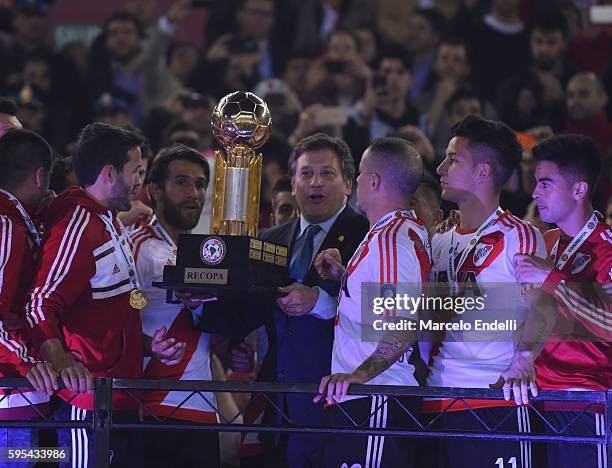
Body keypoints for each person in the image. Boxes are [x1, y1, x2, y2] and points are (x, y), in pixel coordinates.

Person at [194, 133, 369, 467]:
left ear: (348, 183)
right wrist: (200, 301)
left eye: (327, 173)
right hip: (278, 401)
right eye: (306, 174)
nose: (315, 183)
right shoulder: (271, 238)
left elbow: (380, 313)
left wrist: (318, 300)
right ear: (294, 182)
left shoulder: (366, 235)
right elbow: (249, 310)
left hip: (339, 401)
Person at [24, 122, 184, 468]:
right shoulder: (78, 226)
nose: (139, 181)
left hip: (117, 396)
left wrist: (146, 344)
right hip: (88, 404)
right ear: (110, 173)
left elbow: (116, 308)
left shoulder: (108, 220)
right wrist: (63, 362)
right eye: (136, 171)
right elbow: (40, 304)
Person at [423, 115, 548, 467]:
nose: (440, 167)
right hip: (433, 399)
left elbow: (542, 308)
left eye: (453, 159)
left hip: (493, 401)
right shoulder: (440, 239)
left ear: (483, 171)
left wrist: (523, 359)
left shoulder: (519, 236)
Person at [314, 137, 431, 468]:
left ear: (375, 181)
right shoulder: (391, 234)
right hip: (367, 400)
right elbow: (383, 309)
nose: (356, 184)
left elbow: (405, 325)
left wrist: (359, 376)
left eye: (362, 175)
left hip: (376, 399)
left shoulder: (391, 241)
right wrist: (346, 278)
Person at [514, 134, 610, 468]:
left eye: (545, 183)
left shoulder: (606, 249)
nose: (534, 193)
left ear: (579, 189)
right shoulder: (548, 242)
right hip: (536, 397)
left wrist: (551, 279)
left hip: (586, 401)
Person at [131, 144, 220, 467]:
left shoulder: (204, 254)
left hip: (201, 406)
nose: (193, 193)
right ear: (154, 190)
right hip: (152, 407)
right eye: (181, 182)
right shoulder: (136, 247)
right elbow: (120, 315)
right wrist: (148, 346)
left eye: (199, 184)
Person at [0, 129, 58, 467]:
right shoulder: (6, 227)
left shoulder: (16, 222)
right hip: (11, 396)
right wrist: (27, 362)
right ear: (40, 176)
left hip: (20, 393)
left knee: (44, 457)